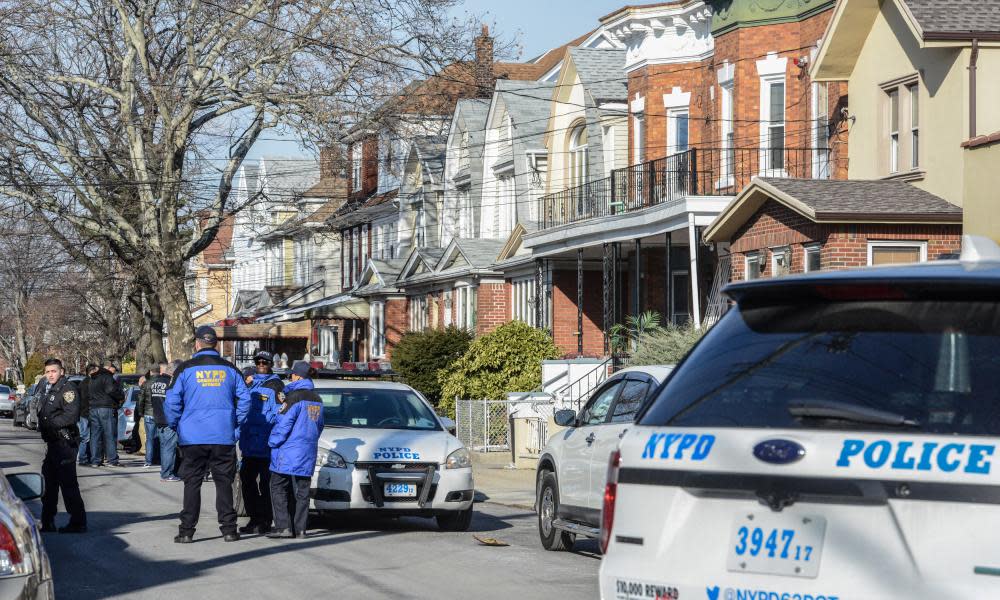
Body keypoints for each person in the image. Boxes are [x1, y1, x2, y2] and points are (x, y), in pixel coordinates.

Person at [164, 326, 251, 543]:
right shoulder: (230, 369)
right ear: (215, 343)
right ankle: (229, 530)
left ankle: (186, 531)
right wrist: (235, 423)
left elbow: (172, 402)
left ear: (197, 343)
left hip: (192, 437)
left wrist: (176, 425)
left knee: (192, 483)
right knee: (224, 483)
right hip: (223, 435)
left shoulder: (185, 369)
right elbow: (246, 401)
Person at [266, 361, 324, 539]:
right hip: (307, 451)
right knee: (303, 491)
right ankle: (301, 529)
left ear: (298, 376)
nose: (290, 377)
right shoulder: (317, 399)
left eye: (291, 374)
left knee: (277, 486)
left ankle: (283, 527)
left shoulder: (293, 397)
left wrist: (272, 442)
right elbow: (319, 426)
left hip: (287, 451)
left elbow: (283, 424)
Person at [37, 358, 87, 533]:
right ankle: (48, 521)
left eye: (54, 371)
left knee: (68, 484)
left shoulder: (68, 389)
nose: (50, 374)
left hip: (65, 443)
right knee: (48, 484)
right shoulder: (48, 388)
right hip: (53, 444)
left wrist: (50, 422)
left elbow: (71, 416)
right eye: (48, 371)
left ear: (62, 371)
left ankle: (78, 522)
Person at [237, 355, 282, 535]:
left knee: (266, 485)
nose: (261, 365)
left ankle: (265, 520)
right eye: (258, 363)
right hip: (249, 445)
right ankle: (254, 519)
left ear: (271, 365)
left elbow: (279, 416)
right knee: (246, 482)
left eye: (265, 362)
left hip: (266, 446)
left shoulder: (276, 386)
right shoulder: (250, 384)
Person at [87, 360, 124, 467]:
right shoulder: (107, 376)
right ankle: (112, 460)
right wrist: (121, 396)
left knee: (95, 435)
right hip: (106, 407)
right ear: (108, 368)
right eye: (113, 369)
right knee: (110, 434)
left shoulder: (92, 378)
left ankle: (95, 460)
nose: (114, 371)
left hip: (94, 408)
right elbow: (111, 390)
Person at [136, 365, 164, 469]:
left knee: (149, 438)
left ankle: (148, 460)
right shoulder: (162, 383)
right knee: (160, 438)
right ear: (159, 372)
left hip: (148, 413)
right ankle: (159, 459)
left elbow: (141, 399)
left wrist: (141, 412)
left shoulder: (146, 384)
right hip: (160, 413)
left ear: (151, 372)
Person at [76, 364, 97, 466]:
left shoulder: (83, 383)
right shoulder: (88, 383)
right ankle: (83, 458)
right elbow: (86, 399)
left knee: (87, 436)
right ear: (91, 372)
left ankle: (86, 457)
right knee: (85, 437)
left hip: (84, 413)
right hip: (86, 413)